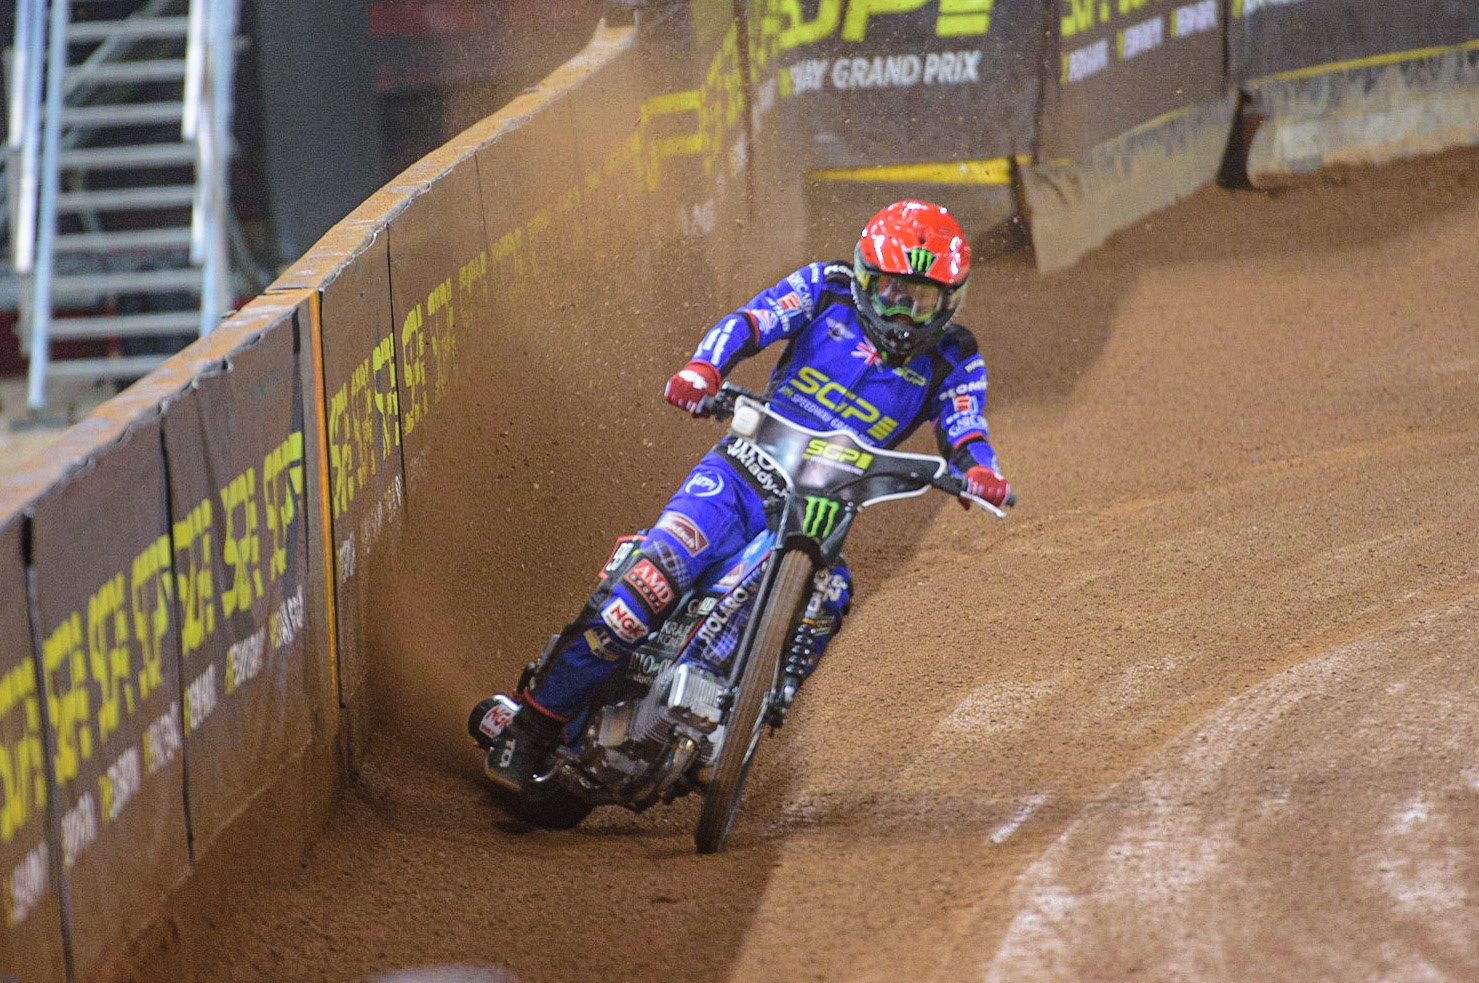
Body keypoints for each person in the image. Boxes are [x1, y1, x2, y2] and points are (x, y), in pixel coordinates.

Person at [474, 199, 1011, 794]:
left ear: (950, 302)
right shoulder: (825, 287)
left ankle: (749, 714)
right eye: (890, 291)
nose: (903, 312)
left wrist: (978, 471)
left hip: (821, 507)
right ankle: (534, 729)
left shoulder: (956, 355)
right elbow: (751, 322)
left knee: (829, 594)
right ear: (863, 277)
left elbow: (965, 425)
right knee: (646, 589)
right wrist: (705, 369)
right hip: (739, 475)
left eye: (922, 300)